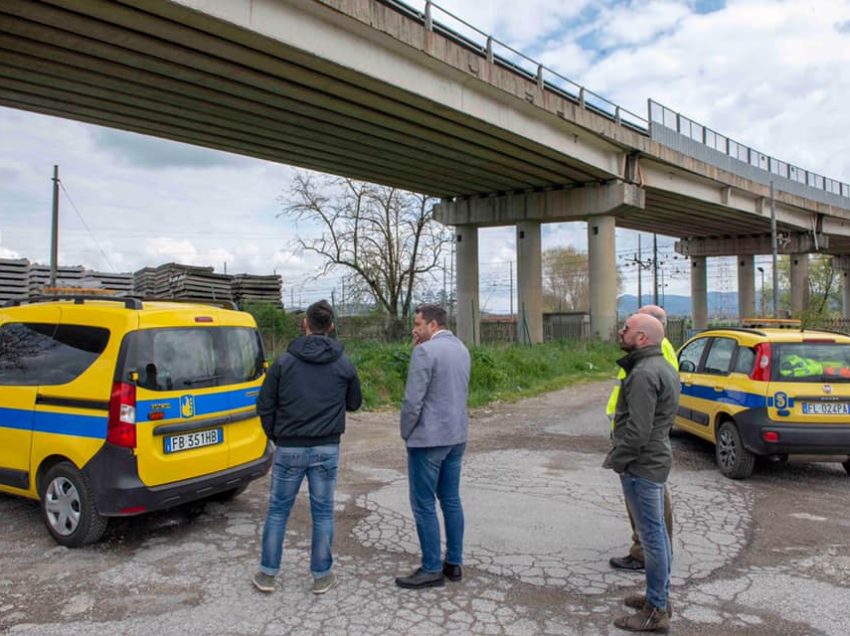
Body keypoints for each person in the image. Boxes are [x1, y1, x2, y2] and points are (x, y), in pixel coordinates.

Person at [253, 300, 362, 595]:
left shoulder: (284, 362)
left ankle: (267, 574)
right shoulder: (343, 363)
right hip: (327, 448)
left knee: (277, 511)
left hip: (289, 447)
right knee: (324, 513)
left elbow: (264, 404)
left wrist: (276, 435)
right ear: (332, 327)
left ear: (305, 324)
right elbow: (354, 403)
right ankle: (322, 575)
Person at [604, 313, 680, 632]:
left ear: (643, 338)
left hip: (642, 464)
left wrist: (617, 459)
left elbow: (638, 431)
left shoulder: (644, 373)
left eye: (627, 329)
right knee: (657, 534)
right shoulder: (660, 366)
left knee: (652, 537)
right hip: (652, 460)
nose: (621, 332)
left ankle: (655, 610)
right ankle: (658, 596)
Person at [395, 304, 471, 590]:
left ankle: (430, 568)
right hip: (456, 436)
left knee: (423, 502)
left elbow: (413, 400)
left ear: (433, 324)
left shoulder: (424, 352)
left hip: (428, 440)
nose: (415, 328)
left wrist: (406, 432)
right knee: (450, 499)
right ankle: (453, 563)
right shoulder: (462, 349)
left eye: (418, 323)